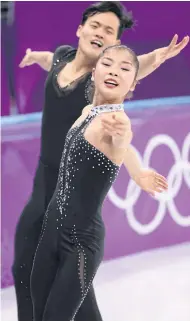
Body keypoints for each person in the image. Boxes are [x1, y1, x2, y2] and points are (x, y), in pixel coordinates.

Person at [13, 1, 187, 320]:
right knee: (49, 296)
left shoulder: (110, 114)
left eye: (109, 31)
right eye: (96, 25)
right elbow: (55, 62)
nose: (100, 33)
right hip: (49, 208)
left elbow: (121, 138)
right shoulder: (80, 94)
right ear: (81, 30)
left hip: (79, 232)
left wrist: (136, 169)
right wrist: (37, 57)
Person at [30, 43, 140, 321]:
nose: (114, 71)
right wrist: (139, 172)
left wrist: (123, 135)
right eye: (108, 64)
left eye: (125, 69)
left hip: (80, 244)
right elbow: (127, 151)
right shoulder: (87, 111)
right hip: (51, 233)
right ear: (93, 72)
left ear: (132, 86)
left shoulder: (117, 121)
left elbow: (123, 138)